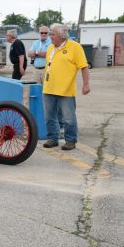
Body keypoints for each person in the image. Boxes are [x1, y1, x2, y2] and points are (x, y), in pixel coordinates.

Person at [42, 23, 91, 151]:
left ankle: (70, 140)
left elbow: (84, 67)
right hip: (48, 88)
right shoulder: (50, 48)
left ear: (61, 35)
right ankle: (53, 138)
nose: (50, 36)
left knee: (69, 118)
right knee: (49, 117)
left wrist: (86, 84)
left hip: (66, 90)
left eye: (52, 34)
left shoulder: (75, 47)